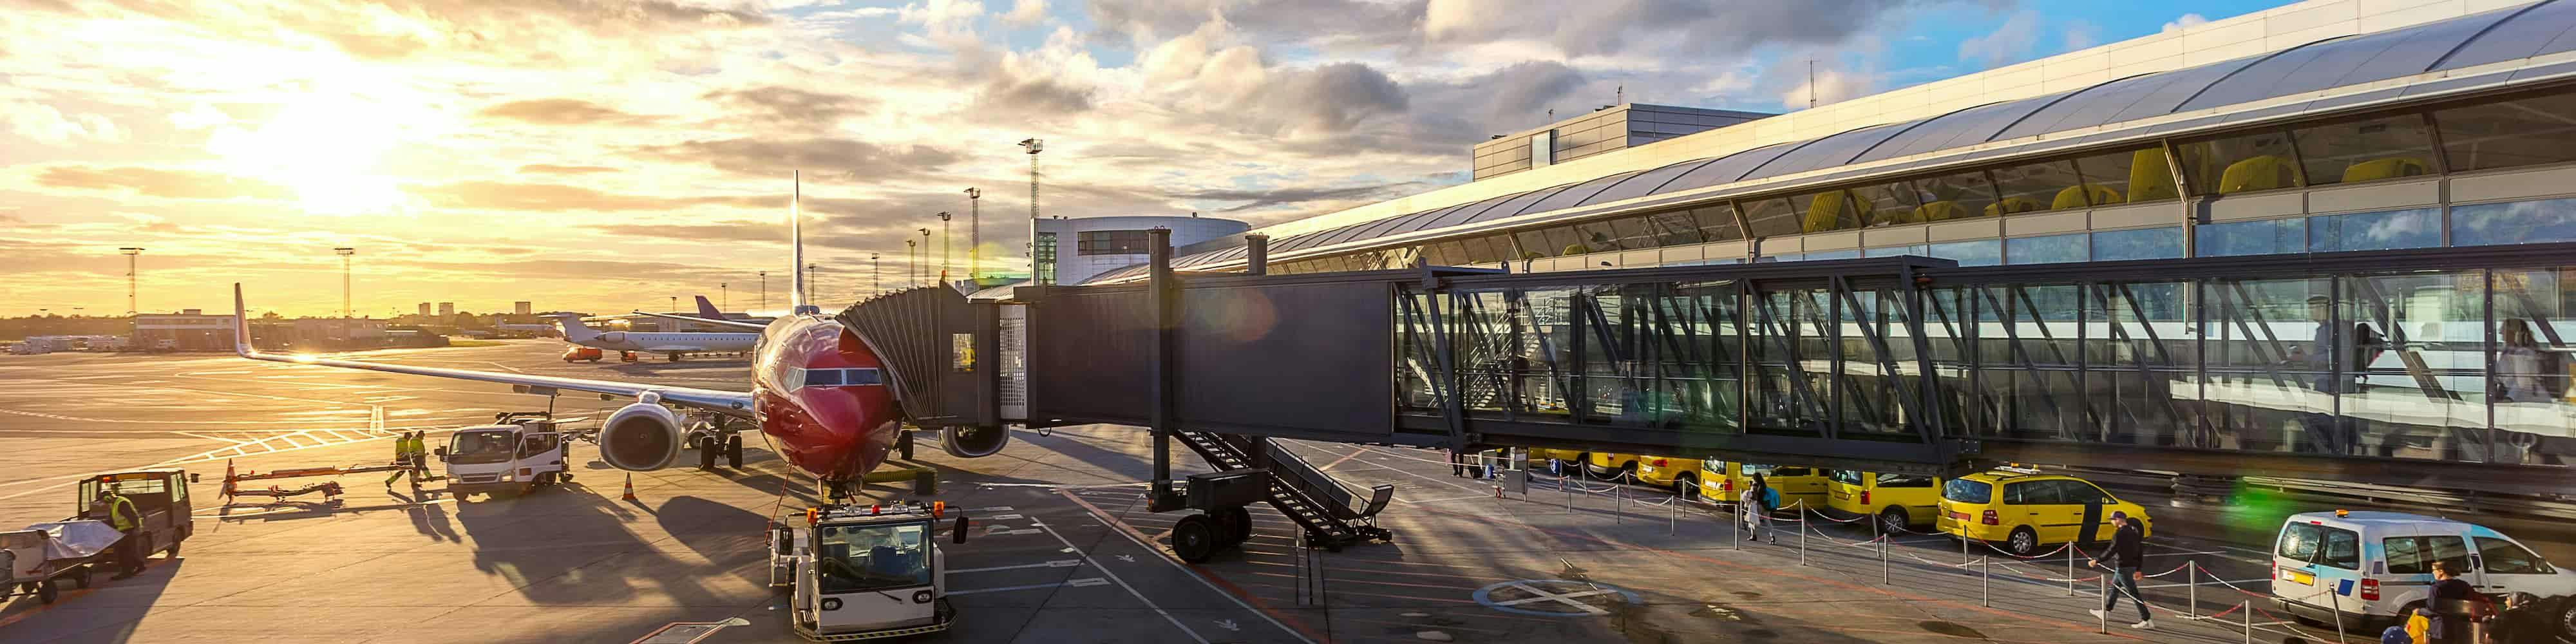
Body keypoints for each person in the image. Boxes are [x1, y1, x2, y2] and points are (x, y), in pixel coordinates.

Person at [2088, 512, 2153, 629]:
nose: (2111, 522)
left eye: (2112, 519)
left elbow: (2112, 550)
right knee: (2114, 588)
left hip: (2123, 567)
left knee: (2133, 593)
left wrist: (2097, 561)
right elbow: (2139, 550)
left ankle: (2146, 619)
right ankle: (2106, 611)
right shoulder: (2134, 532)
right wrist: (2138, 569)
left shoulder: (2119, 534)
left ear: (2118, 520)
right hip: (2131, 566)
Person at [2429, 560, 2477, 644]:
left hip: (2442, 630)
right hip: (2461, 628)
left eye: (2434, 570)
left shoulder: (2436, 588)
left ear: (2441, 571)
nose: (2433, 573)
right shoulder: (2464, 585)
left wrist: (2419, 611)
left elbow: (2432, 610)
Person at [100, 488, 144, 580]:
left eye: (103, 501)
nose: (103, 503)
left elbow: (133, 517)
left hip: (129, 530)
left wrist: (137, 528)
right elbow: (112, 521)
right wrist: (100, 524)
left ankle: (126, 572)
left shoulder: (121, 504)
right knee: (128, 552)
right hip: (123, 531)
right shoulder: (114, 504)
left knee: (122, 552)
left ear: (107, 498)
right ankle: (139, 566)